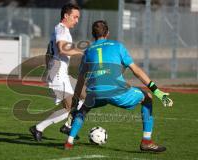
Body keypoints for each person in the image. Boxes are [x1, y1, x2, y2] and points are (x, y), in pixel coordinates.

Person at [64, 20, 173, 152]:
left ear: (93, 34)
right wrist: (157, 92)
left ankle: (69, 142)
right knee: (147, 97)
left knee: (83, 109)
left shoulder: (87, 51)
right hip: (116, 91)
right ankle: (146, 141)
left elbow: (81, 79)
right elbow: (136, 71)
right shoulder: (117, 46)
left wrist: (75, 100)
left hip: (95, 92)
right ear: (108, 33)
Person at [29, 3, 85, 141]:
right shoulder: (61, 29)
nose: (77, 20)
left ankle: (67, 125)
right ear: (66, 16)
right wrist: (83, 52)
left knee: (86, 94)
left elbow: (49, 53)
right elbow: (62, 49)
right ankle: (39, 128)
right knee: (69, 106)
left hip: (61, 72)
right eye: (75, 17)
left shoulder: (60, 30)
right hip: (58, 74)